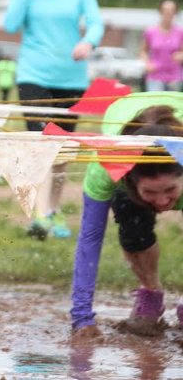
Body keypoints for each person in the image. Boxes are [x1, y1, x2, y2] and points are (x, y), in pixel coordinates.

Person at [4, 0, 104, 240]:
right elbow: (10, 25)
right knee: (41, 143)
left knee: (61, 148)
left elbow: (97, 22)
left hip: (71, 77)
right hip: (33, 73)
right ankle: (39, 215)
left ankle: (53, 210)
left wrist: (89, 42)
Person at [70, 92, 183, 339]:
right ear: (129, 182)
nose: (163, 202)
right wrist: (81, 318)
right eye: (151, 192)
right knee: (132, 230)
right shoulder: (107, 167)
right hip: (124, 113)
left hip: (175, 103)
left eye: (170, 190)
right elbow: (90, 240)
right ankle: (151, 292)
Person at [139, 0, 183, 92]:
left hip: (174, 76)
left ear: (175, 13)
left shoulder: (180, 32)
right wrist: (147, 63)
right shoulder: (150, 32)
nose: (168, 14)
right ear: (161, 12)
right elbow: (143, 51)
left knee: (172, 105)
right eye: (166, 11)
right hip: (155, 75)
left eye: (172, 11)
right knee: (156, 105)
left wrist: (180, 56)